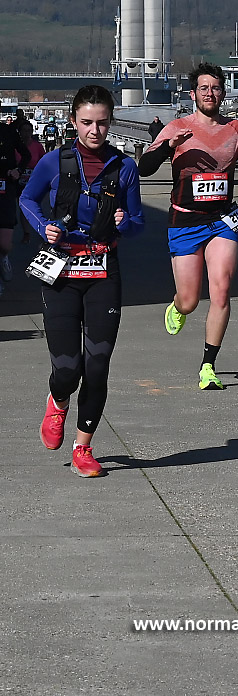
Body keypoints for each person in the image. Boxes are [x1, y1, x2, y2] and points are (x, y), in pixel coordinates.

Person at [20, 85, 144, 477]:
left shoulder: (124, 168)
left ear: (111, 122)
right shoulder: (54, 162)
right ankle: (58, 401)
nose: (95, 131)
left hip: (104, 270)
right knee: (68, 368)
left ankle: (83, 447)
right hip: (61, 269)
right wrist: (44, 227)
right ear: (73, 120)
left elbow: (138, 222)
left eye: (102, 123)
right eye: (87, 122)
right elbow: (27, 200)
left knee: (98, 364)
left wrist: (125, 222)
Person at [139, 62, 238, 390]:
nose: (210, 93)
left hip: (222, 221)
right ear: (193, 94)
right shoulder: (177, 128)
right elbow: (144, 168)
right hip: (184, 221)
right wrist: (169, 147)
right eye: (204, 88)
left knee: (222, 289)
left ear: (223, 93)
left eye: (215, 88)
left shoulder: (236, 130)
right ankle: (178, 306)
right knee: (189, 300)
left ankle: (208, 365)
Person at [0, 119, 31, 297]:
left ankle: (4, 257)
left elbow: (26, 155)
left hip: (5, 187)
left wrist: (18, 170)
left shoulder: (8, 131)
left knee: (4, 244)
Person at [15, 120, 46, 243]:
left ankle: (42, 231)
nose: (26, 133)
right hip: (18, 180)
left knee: (36, 206)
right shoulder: (15, 146)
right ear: (19, 132)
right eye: (24, 131)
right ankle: (26, 233)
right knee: (23, 206)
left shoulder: (37, 146)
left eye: (29, 131)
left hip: (34, 180)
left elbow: (44, 161)